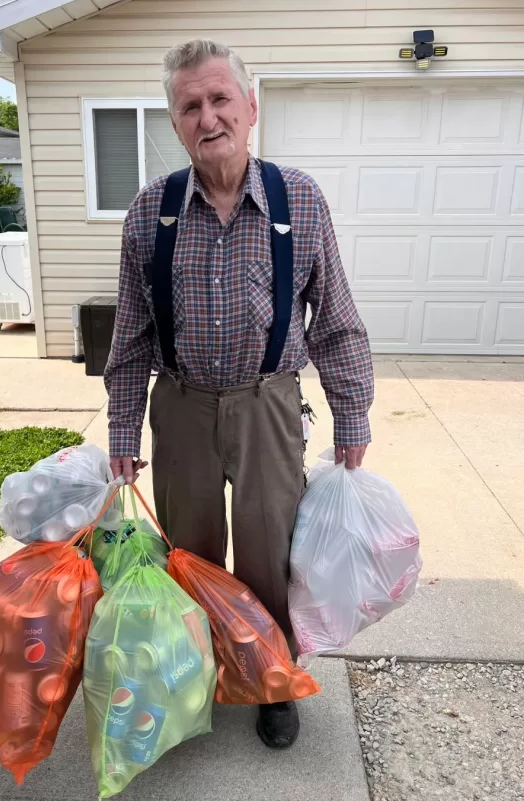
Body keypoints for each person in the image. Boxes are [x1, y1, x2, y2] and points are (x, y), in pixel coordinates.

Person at [104, 39, 374, 749]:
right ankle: (196, 674)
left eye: (221, 98)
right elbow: (130, 337)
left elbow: (337, 319)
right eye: (190, 105)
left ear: (250, 108)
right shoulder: (149, 213)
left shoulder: (300, 201)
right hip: (183, 407)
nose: (208, 116)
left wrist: (352, 412)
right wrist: (123, 434)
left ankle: (269, 679)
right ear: (175, 121)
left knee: (267, 554)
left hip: (269, 405)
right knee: (189, 552)